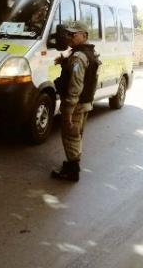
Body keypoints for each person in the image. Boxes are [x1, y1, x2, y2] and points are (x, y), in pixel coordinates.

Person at [52, 21, 101, 182]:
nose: (70, 37)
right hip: (85, 103)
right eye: (69, 34)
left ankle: (72, 171)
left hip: (76, 104)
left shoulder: (79, 57)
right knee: (76, 135)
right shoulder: (89, 53)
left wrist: (68, 110)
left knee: (71, 135)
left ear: (84, 35)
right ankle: (71, 164)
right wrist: (65, 61)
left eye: (74, 34)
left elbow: (76, 85)